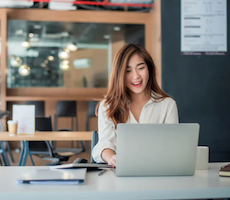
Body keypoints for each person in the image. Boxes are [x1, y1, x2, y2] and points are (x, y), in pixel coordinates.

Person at [92, 43, 178, 167]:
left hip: (158, 172)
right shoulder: (108, 106)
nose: (136, 76)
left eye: (141, 68)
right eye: (128, 71)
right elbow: (105, 144)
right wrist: (112, 158)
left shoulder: (167, 105)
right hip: (121, 173)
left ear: (149, 69)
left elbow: (173, 146)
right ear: (119, 75)